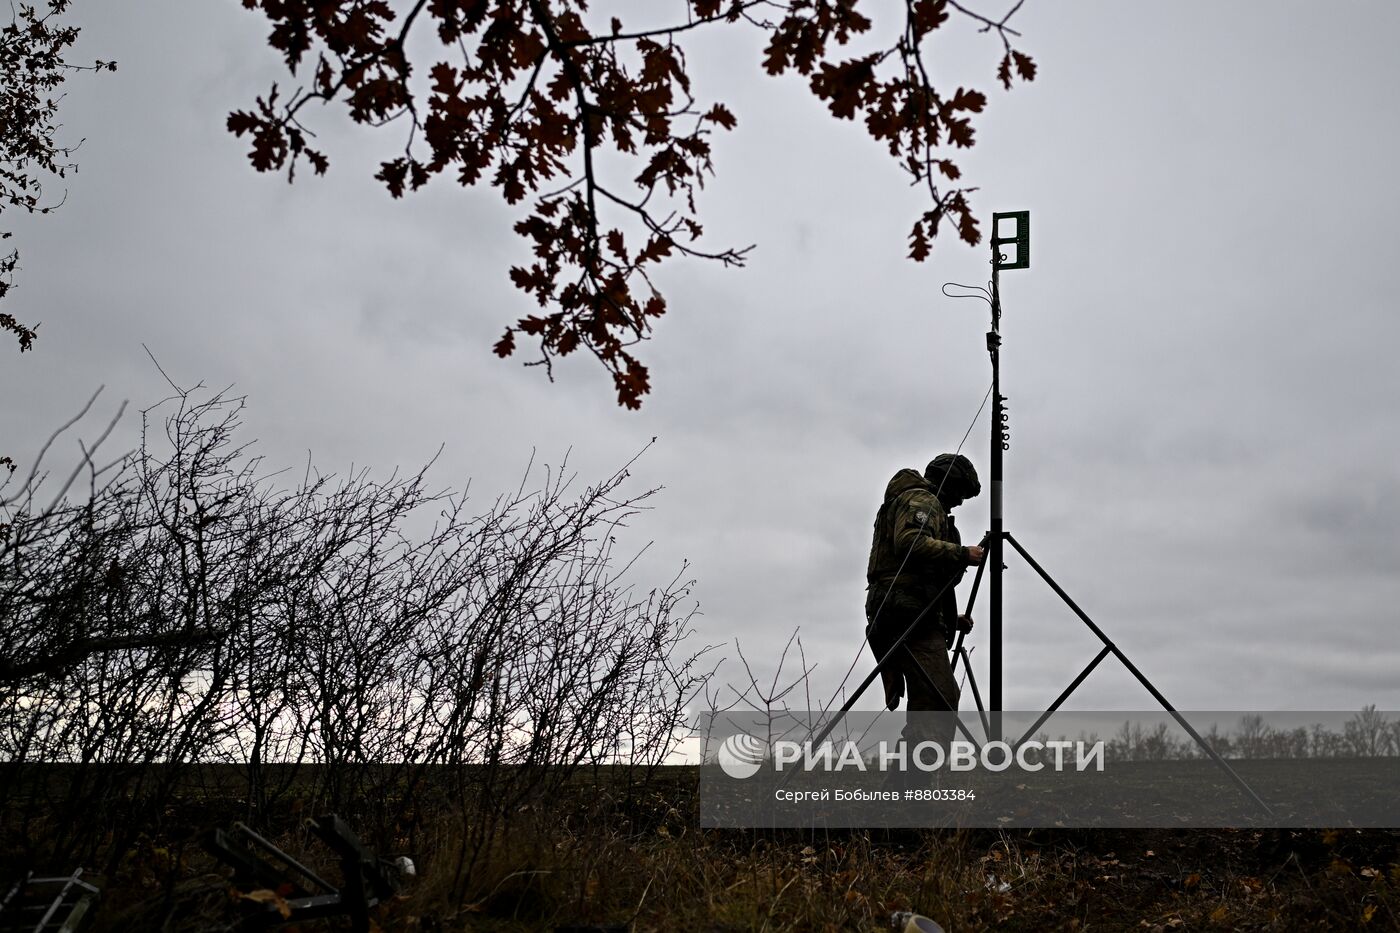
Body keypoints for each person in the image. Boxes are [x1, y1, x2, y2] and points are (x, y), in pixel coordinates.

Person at [865, 453, 985, 756]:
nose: (958, 503)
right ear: (948, 484)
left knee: (928, 699)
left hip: (905, 610)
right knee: (938, 700)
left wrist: (947, 618)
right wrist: (962, 554)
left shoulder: (914, 500)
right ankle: (913, 790)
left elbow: (917, 575)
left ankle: (904, 787)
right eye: (959, 494)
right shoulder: (923, 500)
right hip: (906, 613)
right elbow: (910, 542)